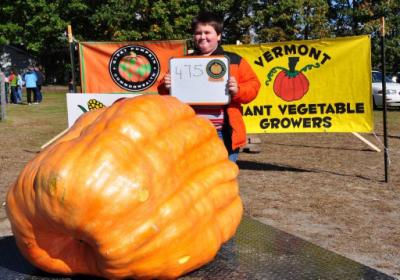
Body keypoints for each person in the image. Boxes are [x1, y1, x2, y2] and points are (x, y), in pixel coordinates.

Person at [158, 11, 260, 162]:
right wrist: (166, 86)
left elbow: (254, 86)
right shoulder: (182, 62)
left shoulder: (234, 60)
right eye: (198, 33)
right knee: (193, 178)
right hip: (189, 132)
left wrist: (238, 90)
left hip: (222, 133)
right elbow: (163, 92)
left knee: (222, 178)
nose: (202, 37)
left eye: (207, 32)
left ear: (218, 35)